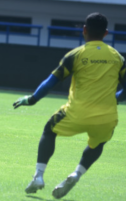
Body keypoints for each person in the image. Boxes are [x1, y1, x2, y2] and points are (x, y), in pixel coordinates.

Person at [13, 12, 126, 199]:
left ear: (84, 30)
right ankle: (77, 174)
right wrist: (115, 98)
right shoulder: (118, 58)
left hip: (76, 113)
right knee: (98, 142)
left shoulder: (76, 55)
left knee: (49, 130)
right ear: (106, 33)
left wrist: (32, 99)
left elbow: (50, 82)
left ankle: (38, 177)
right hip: (107, 117)